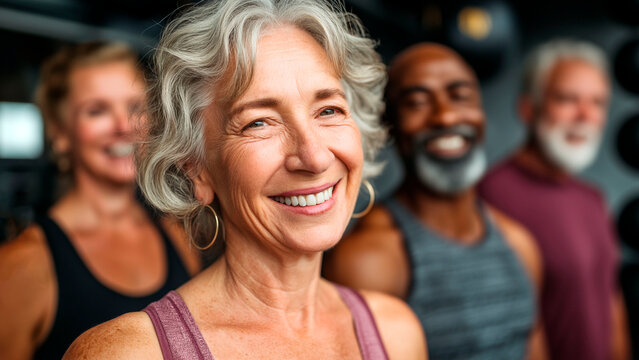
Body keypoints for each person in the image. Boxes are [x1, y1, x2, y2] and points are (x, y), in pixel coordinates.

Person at [63, 1, 427, 359]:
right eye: (259, 122)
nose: (315, 157)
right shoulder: (128, 353)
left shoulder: (396, 333)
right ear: (196, 168)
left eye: (329, 110)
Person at [324, 43, 548, 360]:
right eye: (416, 102)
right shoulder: (367, 260)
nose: (445, 116)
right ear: (389, 127)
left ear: (481, 114)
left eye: (460, 96)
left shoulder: (520, 243)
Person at [0, 42, 201, 360]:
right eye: (97, 110)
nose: (124, 126)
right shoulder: (24, 264)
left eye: (135, 107)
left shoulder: (176, 237)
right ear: (60, 132)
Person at [478, 39, 630, 360]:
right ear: (528, 108)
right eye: (567, 99)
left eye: (598, 103)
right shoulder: (489, 196)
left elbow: (611, 302)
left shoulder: (593, 199)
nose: (585, 115)